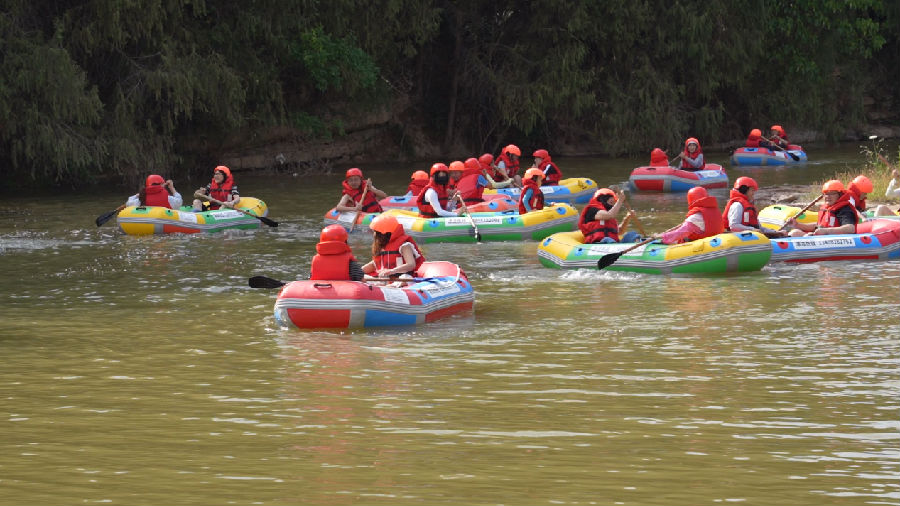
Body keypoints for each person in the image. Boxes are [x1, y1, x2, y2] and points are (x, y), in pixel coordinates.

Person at [652, 186, 724, 244]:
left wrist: (662, 237)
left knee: (682, 239)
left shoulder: (695, 217)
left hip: (702, 246)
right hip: (715, 242)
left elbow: (680, 233)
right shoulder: (715, 210)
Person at [362, 214, 425, 279]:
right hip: (385, 280)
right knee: (361, 276)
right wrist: (358, 272)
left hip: (402, 278)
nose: (374, 234)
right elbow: (375, 264)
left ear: (383, 233)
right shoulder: (383, 246)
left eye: (376, 232)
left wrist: (392, 271)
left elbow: (411, 264)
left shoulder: (404, 245)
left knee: (405, 277)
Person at [786, 180, 857, 236]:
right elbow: (818, 226)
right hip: (823, 238)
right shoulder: (827, 208)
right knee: (795, 232)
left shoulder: (844, 209)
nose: (828, 197)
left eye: (832, 193)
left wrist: (826, 231)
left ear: (840, 195)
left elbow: (850, 228)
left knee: (795, 233)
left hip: (836, 240)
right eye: (826, 194)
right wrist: (797, 225)